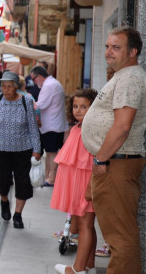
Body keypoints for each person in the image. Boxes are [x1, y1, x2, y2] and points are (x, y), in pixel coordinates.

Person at [81, 26, 146, 274]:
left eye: (116, 47)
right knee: (117, 235)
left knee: (121, 238)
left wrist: (100, 158)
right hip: (112, 161)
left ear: (132, 51)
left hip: (116, 162)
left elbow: (122, 127)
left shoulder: (129, 78)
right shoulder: (122, 76)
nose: (108, 52)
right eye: (107, 46)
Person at [0, 71, 41, 229]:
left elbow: (33, 128)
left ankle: (18, 215)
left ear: (16, 88)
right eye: (3, 86)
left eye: (9, 87)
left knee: (23, 182)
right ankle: (4, 200)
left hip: (23, 149)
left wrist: (37, 149)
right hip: (0, 148)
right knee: (2, 180)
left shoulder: (26, 101)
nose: (5, 89)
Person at [52, 89, 98, 274]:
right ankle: (89, 264)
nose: (78, 111)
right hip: (78, 184)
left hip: (85, 184)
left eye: (84, 107)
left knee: (85, 225)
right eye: (75, 106)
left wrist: (89, 187)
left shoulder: (91, 130)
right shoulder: (77, 128)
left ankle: (78, 269)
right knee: (86, 225)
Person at [31, 65, 68, 187]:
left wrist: (29, 102)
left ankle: (52, 178)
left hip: (52, 125)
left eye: (34, 79)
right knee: (49, 152)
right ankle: (48, 176)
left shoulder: (49, 85)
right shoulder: (52, 83)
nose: (34, 82)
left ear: (39, 76)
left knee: (52, 153)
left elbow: (41, 105)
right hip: (52, 124)